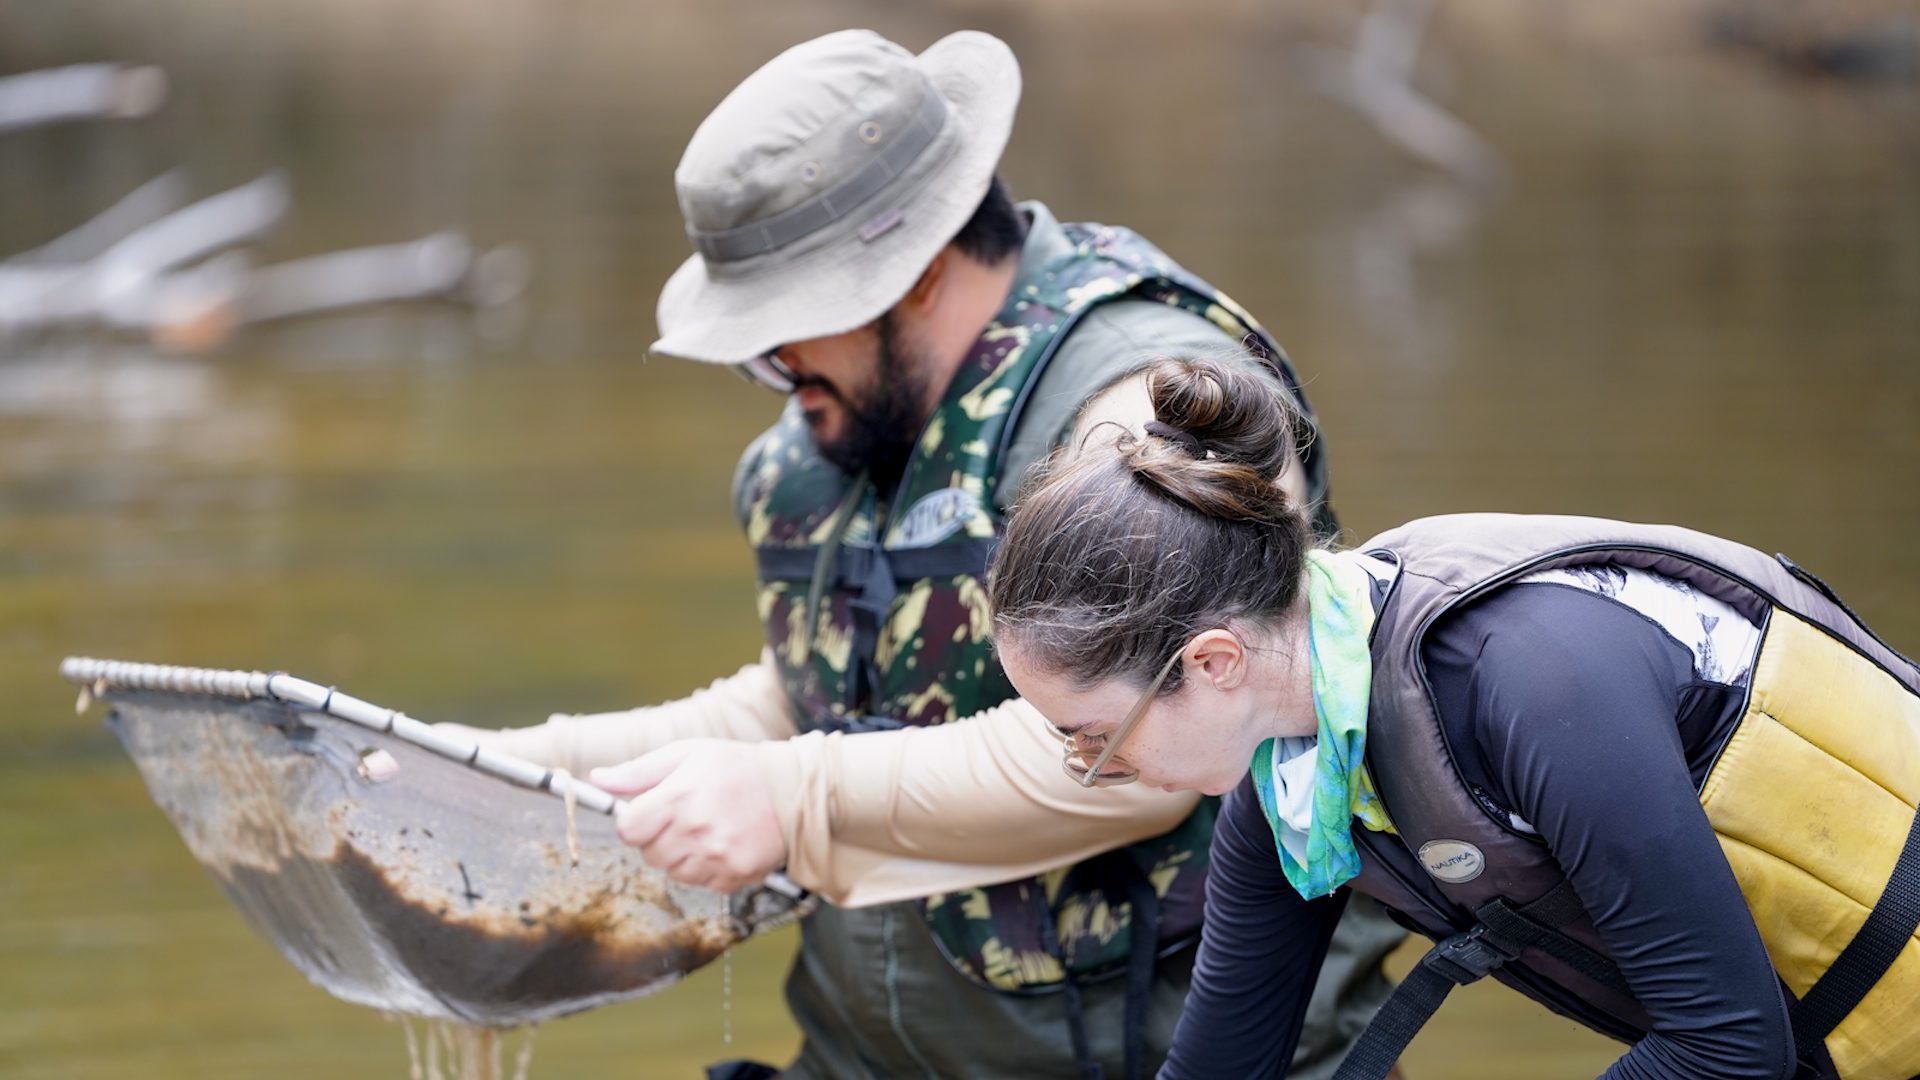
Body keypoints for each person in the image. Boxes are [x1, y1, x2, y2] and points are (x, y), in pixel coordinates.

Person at [451, 27, 1407, 1080]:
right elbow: (806, 702)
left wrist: (792, 800)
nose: (770, 368)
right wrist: (497, 766)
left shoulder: (1154, 406)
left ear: (909, 275)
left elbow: (1138, 749)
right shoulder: (847, 423)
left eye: (782, 330)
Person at [983, 352, 1920, 1079]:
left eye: (1096, 735)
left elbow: (1726, 1047)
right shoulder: (1298, 789)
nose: (1095, 765)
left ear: (1212, 662)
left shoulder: (1533, 681)